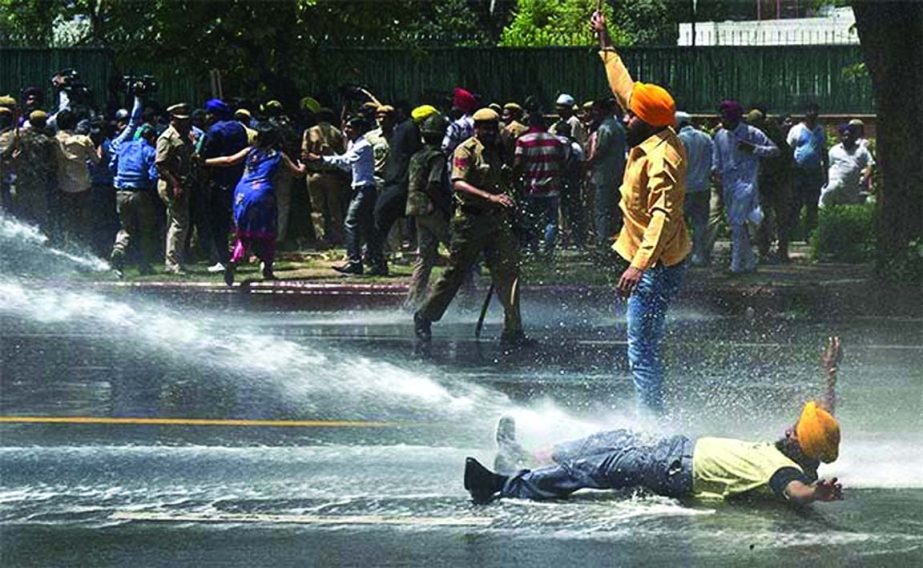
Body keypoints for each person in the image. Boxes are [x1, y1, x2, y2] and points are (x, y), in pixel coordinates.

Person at [465, 338, 844, 508]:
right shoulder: (809, 450)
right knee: (602, 441)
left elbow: (794, 491)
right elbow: (824, 429)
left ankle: (502, 486)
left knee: (594, 468)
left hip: (675, 468)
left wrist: (816, 495)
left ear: (800, 446)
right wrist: (830, 374)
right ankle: (524, 455)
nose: (787, 429)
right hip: (674, 448)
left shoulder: (781, 469)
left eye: (795, 431)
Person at [593, 10, 690, 414]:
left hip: (656, 266)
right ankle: (653, 417)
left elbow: (662, 217)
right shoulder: (652, 130)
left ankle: (653, 428)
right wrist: (605, 40)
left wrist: (639, 266)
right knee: (642, 347)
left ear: (646, 122)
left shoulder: (663, 157)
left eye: (630, 114)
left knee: (642, 350)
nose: (623, 116)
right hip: (652, 262)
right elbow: (624, 87)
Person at [413, 108, 530, 347]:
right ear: (476, 128)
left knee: (508, 272)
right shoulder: (466, 150)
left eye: (492, 127)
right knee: (456, 273)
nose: (488, 132)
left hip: (496, 221)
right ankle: (425, 315)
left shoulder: (499, 150)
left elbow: (507, 182)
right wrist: (490, 197)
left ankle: (513, 331)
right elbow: (458, 183)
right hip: (470, 221)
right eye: (483, 127)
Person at [206, 124, 306, 285]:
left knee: (244, 233)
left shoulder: (249, 151)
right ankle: (267, 268)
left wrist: (205, 161)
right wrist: (303, 167)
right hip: (262, 193)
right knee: (268, 232)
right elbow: (298, 174)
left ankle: (235, 260)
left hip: (242, 192)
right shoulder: (279, 156)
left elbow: (228, 160)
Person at [305, 116, 380, 275]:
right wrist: (331, 155)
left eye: (350, 127)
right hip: (358, 187)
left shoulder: (364, 145)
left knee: (350, 222)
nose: (346, 130)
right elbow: (347, 167)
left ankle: (354, 261)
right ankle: (377, 262)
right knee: (368, 227)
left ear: (359, 129)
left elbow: (346, 161)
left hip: (365, 188)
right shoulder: (353, 144)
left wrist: (321, 158)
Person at [712, 100, 779, 274]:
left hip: (746, 184)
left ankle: (735, 266)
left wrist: (754, 149)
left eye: (725, 117)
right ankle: (749, 262)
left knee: (736, 222)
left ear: (734, 117)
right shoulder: (720, 136)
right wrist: (714, 172)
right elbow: (716, 160)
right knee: (738, 224)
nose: (722, 120)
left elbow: (774, 150)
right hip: (728, 185)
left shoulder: (752, 133)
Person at [404, 113, 452, 310]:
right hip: (432, 209)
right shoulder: (437, 156)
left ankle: (412, 302)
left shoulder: (417, 155)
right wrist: (446, 208)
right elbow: (433, 184)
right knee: (459, 252)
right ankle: (465, 299)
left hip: (416, 207)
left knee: (424, 257)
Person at [369, 102, 423, 276]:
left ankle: (378, 262)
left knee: (379, 225)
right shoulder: (408, 131)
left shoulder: (403, 131)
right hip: (398, 184)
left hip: (395, 184)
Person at [202, 98, 249, 272]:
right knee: (238, 220)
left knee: (218, 222)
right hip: (238, 179)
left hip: (219, 181)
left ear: (213, 114)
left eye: (207, 113)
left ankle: (223, 259)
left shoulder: (214, 131)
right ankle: (242, 253)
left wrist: (202, 165)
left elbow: (205, 155)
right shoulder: (239, 127)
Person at [513, 110, 566, 255]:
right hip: (552, 187)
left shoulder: (523, 141)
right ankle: (548, 250)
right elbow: (563, 162)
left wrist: (515, 179)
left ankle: (535, 249)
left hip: (532, 187)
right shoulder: (556, 141)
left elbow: (517, 164)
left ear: (529, 124)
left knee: (532, 219)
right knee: (551, 221)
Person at [109, 124, 159, 276]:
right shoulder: (150, 150)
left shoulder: (123, 147)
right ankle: (144, 264)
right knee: (146, 229)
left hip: (121, 192)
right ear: (152, 137)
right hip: (140, 192)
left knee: (126, 227)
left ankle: (119, 248)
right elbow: (153, 175)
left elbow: (112, 166)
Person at [746, 109, 795, 263]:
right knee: (772, 218)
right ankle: (773, 252)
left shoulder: (769, 137)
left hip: (773, 182)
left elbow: (785, 156)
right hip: (771, 182)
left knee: (771, 218)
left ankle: (769, 252)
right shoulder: (771, 136)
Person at [1, 110, 58, 232]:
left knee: (22, 212)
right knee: (40, 212)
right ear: (44, 123)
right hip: (39, 181)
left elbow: (6, 153)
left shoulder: (19, 135)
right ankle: (44, 236)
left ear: (31, 122)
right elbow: (54, 164)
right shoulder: (49, 140)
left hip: (21, 179)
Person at [155, 103, 195, 275]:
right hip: (171, 185)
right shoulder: (167, 137)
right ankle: (172, 263)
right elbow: (161, 165)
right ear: (173, 119)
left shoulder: (184, 136)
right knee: (179, 223)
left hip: (183, 183)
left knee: (179, 223)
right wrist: (175, 184)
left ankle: (176, 259)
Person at [53, 108, 102, 246]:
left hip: (63, 186)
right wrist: (101, 146)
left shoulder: (53, 141)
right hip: (83, 187)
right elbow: (97, 161)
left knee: (67, 220)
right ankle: (85, 246)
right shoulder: (83, 140)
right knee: (84, 219)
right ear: (74, 124)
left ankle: (69, 246)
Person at [302, 107, 349, 247]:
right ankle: (338, 236)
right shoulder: (337, 133)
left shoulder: (309, 132)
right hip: (332, 175)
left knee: (317, 208)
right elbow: (343, 154)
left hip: (314, 174)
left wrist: (313, 159)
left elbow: (304, 154)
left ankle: (320, 237)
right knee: (335, 207)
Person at [585, 98, 626, 253]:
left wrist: (587, 164)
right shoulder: (619, 126)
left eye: (596, 110)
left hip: (603, 175)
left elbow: (600, 151)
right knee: (614, 209)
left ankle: (602, 243)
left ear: (602, 111)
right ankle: (614, 240)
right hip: (618, 174)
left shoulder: (605, 128)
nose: (594, 114)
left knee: (601, 210)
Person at [675, 112, 713, 266]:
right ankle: (699, 255)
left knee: (680, 222)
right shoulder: (706, 138)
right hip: (703, 186)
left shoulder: (679, 140)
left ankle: (681, 255)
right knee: (700, 223)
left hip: (685, 187)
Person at [786, 102, 827, 241]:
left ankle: (810, 235)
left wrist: (825, 172)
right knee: (795, 203)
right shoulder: (796, 130)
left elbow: (823, 151)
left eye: (815, 111)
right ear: (805, 113)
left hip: (814, 172)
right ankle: (791, 234)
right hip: (798, 172)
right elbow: (789, 150)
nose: (812, 114)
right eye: (809, 111)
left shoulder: (821, 130)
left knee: (812, 204)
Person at [819, 123, 875, 208]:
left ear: (853, 136)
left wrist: (864, 180)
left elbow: (870, 164)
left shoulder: (861, 150)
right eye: (844, 136)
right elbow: (827, 166)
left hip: (851, 185)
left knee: (848, 208)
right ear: (840, 137)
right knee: (831, 190)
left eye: (849, 135)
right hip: (834, 182)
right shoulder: (834, 150)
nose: (846, 138)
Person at [551, 121, 587, 250]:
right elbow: (582, 165)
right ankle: (577, 240)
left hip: (555, 181)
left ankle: (559, 238)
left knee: (557, 209)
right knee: (574, 210)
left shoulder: (552, 144)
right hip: (572, 182)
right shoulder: (575, 146)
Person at [442, 87, 478, 158]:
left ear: (461, 106)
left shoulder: (456, 127)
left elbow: (446, 149)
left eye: (454, 105)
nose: (451, 108)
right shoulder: (476, 122)